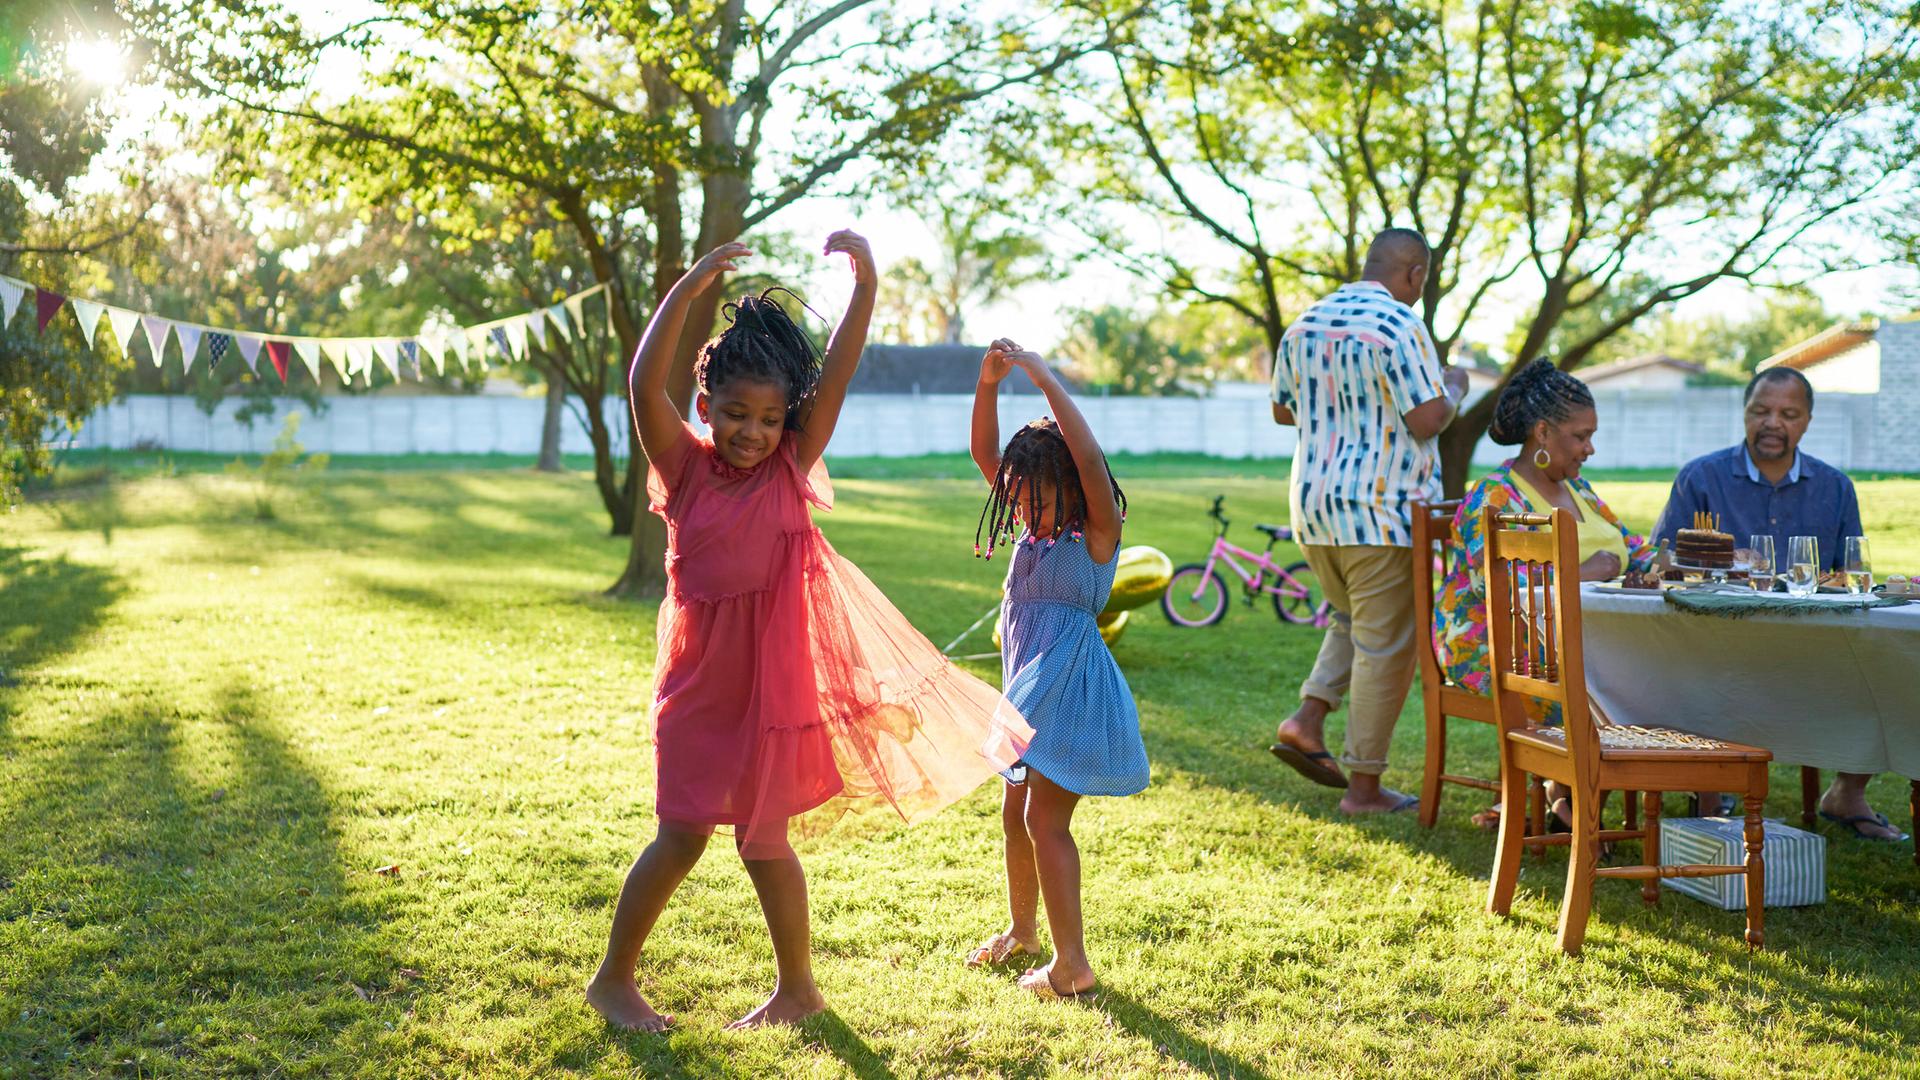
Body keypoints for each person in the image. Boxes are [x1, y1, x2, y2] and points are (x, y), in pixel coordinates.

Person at [586, 235, 1029, 1031]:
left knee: (765, 842)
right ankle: (613, 978)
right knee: (681, 834)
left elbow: (842, 371)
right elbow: (639, 379)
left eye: (766, 418)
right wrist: (688, 288)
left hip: (774, 693)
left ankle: (798, 990)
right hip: (697, 689)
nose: (751, 432)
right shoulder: (682, 468)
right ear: (705, 409)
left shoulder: (792, 464)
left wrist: (866, 286)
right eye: (734, 415)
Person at [964, 338, 1150, 999]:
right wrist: (987, 385)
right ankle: (1023, 931)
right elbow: (985, 454)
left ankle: (1073, 965)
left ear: (1073, 488)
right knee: (1014, 813)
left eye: (1037, 499)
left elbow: (1091, 457)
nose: (1024, 510)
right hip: (1027, 690)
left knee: (1046, 820)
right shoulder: (1030, 528)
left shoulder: (1098, 530)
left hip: (1069, 689)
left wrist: (1043, 378)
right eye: (1018, 498)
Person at [1651, 367, 1902, 842]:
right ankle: (1710, 797)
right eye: (1761, 411)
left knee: (1889, 667)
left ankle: (1848, 792)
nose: (1773, 423)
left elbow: (1850, 572)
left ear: (1807, 421)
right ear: (1744, 413)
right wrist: (1722, 560)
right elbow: (1661, 559)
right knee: (1697, 670)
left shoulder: (1835, 486)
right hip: (1719, 644)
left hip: (1815, 644)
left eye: (1788, 414)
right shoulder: (1701, 477)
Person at [1268, 228, 1469, 814]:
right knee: (1388, 646)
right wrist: (1453, 386)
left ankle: (1307, 717)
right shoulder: (1401, 324)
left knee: (1351, 620)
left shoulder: (1305, 322)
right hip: (1382, 512)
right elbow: (1429, 418)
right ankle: (1364, 788)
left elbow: (1284, 411)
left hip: (1314, 509)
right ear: (1416, 275)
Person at [1433, 360, 1658, 827]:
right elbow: (1495, 589)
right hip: (1490, 646)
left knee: (1648, 672)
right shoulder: (1494, 498)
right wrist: (1583, 574)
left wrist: (1671, 559)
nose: (1589, 448)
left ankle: (1570, 795)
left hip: (1573, 641)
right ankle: (1566, 796)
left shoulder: (1577, 488)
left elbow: (1629, 547)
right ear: (1542, 432)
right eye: (1580, 436)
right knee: (1604, 685)